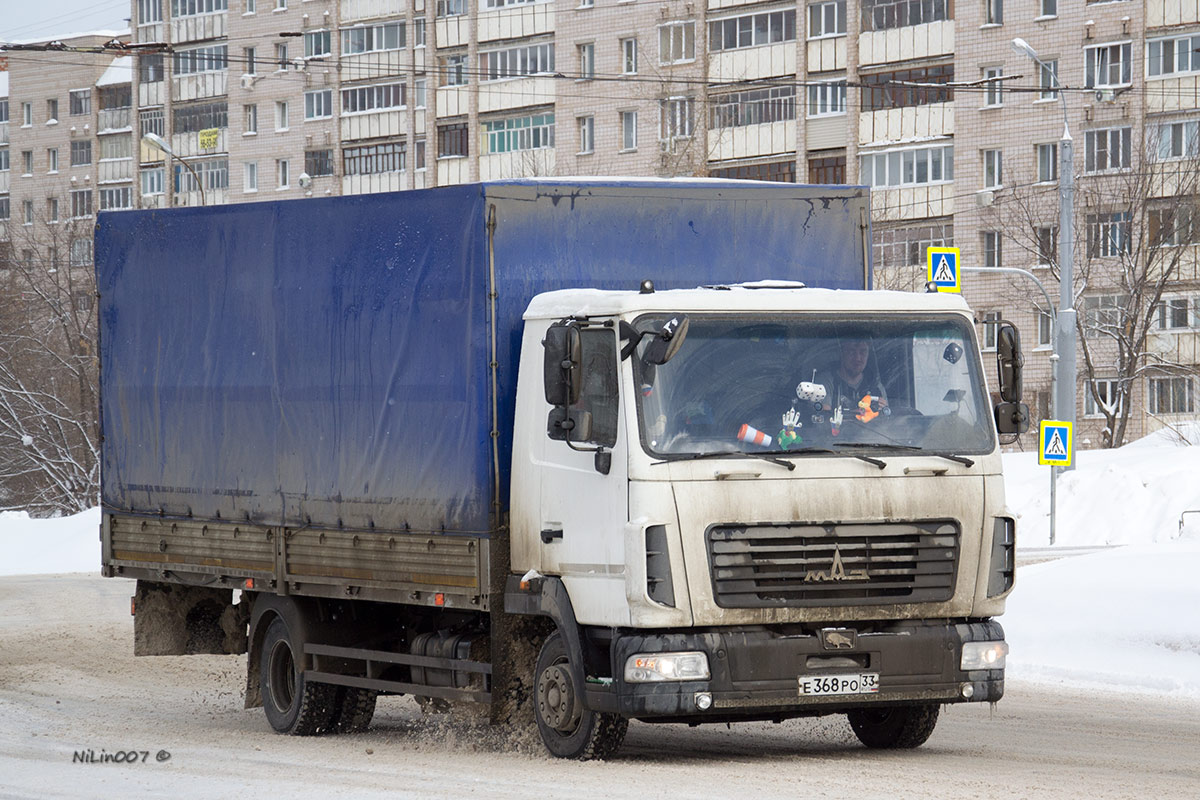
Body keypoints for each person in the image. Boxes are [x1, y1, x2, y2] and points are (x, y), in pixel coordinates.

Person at [818, 335, 889, 424]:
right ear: (842, 353)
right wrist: (857, 414)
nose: (858, 358)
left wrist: (882, 411)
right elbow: (824, 421)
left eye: (863, 352)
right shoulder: (825, 382)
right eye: (852, 352)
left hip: (873, 437)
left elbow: (886, 424)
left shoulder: (875, 386)